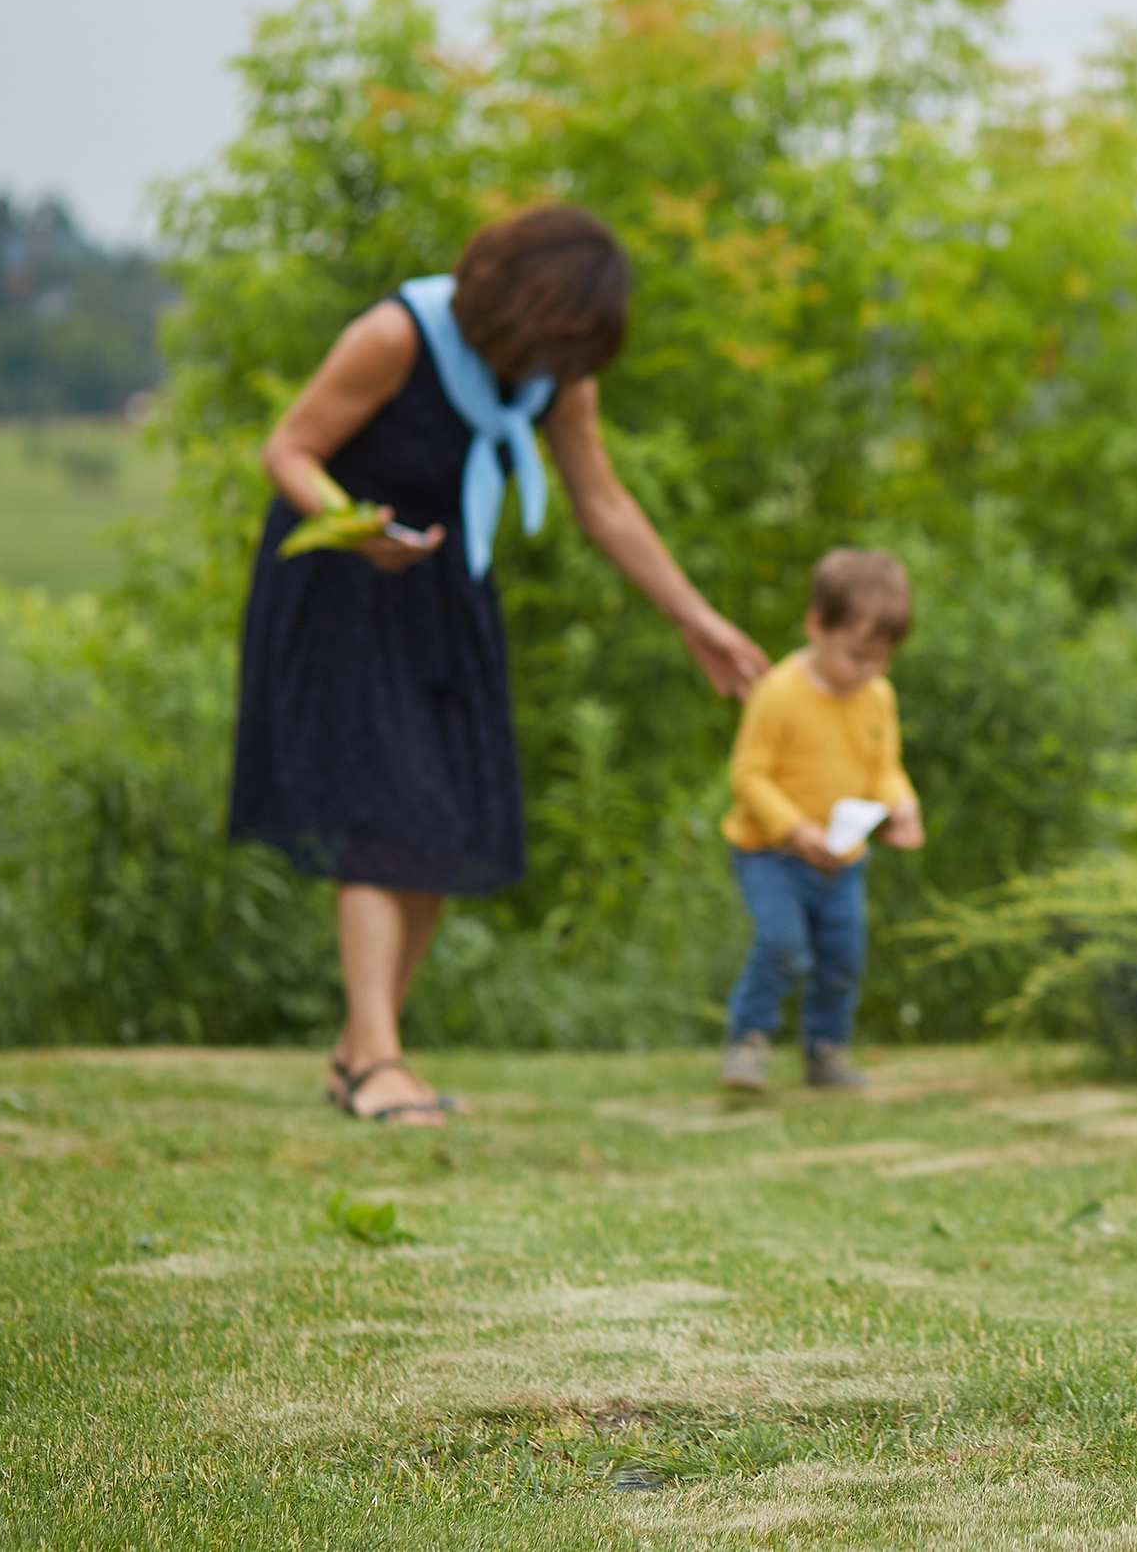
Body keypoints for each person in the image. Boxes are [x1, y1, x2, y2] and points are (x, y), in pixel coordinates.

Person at [232, 204, 771, 1126]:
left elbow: (603, 506)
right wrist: (359, 527)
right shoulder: (396, 335)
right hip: (346, 585)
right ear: (520, 307)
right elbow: (289, 448)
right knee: (379, 812)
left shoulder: (550, 378)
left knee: (443, 819)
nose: (568, 364)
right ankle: (378, 1063)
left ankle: (361, 1049)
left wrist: (697, 619)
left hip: (442, 593)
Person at [717, 548, 924, 1093]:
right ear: (815, 625)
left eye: (881, 659)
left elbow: (882, 769)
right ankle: (748, 1040)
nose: (869, 671)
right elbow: (749, 775)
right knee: (783, 944)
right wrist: (794, 829)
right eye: (857, 655)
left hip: (842, 859)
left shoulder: (877, 696)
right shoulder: (779, 693)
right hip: (772, 853)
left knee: (843, 955)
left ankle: (826, 1052)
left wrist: (902, 805)